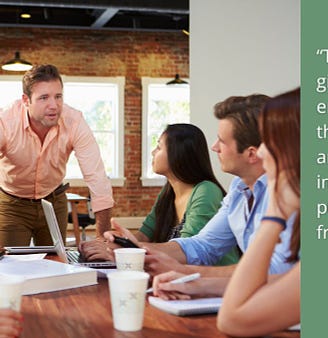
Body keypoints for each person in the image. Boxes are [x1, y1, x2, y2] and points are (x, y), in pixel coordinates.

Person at [152, 88, 301, 336]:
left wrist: (275, 214)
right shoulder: (241, 189)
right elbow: (289, 280)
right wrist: (199, 285)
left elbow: (234, 318)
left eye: (271, 144)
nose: (262, 153)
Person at [105, 94, 295, 280]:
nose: (214, 147)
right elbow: (203, 245)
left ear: (252, 154)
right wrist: (134, 249)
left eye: (222, 141)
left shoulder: (288, 193)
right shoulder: (239, 187)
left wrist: (186, 273)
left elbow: (278, 270)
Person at [80, 124, 238, 265]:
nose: (153, 152)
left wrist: (127, 250)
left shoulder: (206, 190)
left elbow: (187, 250)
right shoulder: (169, 191)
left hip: (209, 280)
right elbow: (144, 235)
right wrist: (116, 242)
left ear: (178, 153)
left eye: (159, 147)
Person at [0, 64, 113, 247]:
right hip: (11, 203)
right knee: (7, 267)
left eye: (58, 96)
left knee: (55, 266)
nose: (54, 106)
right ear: (26, 100)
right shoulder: (6, 122)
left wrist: (102, 239)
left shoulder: (74, 122)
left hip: (53, 201)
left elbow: (97, 178)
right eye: (44, 98)